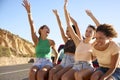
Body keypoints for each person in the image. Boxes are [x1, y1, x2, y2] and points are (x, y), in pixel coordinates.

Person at [22, 0, 58, 80]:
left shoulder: (51, 42)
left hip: (47, 62)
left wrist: (55, 62)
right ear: (40, 30)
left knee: (41, 73)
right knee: (32, 72)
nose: (48, 29)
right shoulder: (36, 41)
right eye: (46, 28)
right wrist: (29, 12)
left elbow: (56, 53)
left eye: (49, 29)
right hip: (37, 61)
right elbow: (32, 25)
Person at [61, 1, 97, 80]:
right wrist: (65, 9)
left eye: (90, 31)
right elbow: (69, 26)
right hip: (76, 65)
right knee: (64, 78)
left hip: (87, 66)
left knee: (79, 75)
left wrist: (91, 16)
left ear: (94, 34)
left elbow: (102, 30)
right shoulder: (79, 41)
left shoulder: (94, 43)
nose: (87, 33)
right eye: (86, 31)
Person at [48, 0, 81, 80]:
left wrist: (68, 15)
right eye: (66, 30)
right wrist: (57, 15)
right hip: (63, 62)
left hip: (72, 63)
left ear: (73, 31)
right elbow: (60, 27)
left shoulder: (78, 39)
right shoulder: (66, 40)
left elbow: (76, 25)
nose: (66, 31)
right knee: (51, 72)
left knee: (57, 76)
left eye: (68, 30)